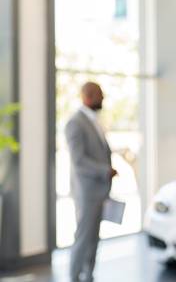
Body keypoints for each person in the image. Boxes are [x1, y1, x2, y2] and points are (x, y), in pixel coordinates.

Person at [66, 82, 118, 282]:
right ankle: (74, 276)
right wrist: (105, 171)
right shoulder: (75, 123)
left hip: (99, 191)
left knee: (94, 238)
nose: (102, 99)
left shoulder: (93, 120)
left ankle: (88, 275)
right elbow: (79, 161)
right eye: (100, 95)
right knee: (83, 237)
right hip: (86, 192)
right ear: (88, 96)